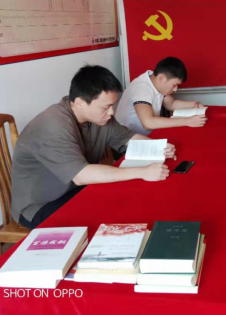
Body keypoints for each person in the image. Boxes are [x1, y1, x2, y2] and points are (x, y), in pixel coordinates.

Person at [11, 65, 176, 229]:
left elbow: (127, 138)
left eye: (112, 105)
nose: (111, 112)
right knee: (109, 220)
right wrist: (143, 172)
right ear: (80, 103)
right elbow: (81, 175)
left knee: (127, 199)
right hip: (42, 205)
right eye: (106, 107)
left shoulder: (99, 117)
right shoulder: (53, 126)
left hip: (75, 189)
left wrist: (158, 147)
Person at [115, 57, 207, 135]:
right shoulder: (142, 88)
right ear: (162, 78)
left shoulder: (155, 80)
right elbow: (148, 123)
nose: (175, 89)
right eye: (174, 85)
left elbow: (171, 104)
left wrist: (194, 104)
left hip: (147, 135)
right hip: (128, 141)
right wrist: (186, 121)